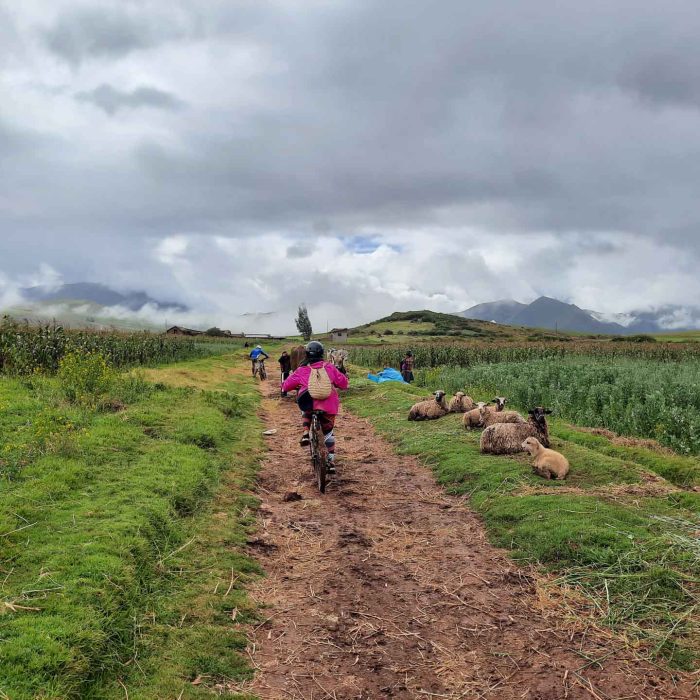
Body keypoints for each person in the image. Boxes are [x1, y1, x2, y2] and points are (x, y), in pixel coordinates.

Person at [281, 340, 349, 472]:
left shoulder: (302, 370)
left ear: (307, 354)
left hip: (309, 404)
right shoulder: (329, 367)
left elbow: (286, 386)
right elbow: (344, 384)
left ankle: (306, 431)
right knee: (328, 432)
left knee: (304, 407)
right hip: (329, 406)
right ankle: (330, 461)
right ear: (322, 354)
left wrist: (290, 386)